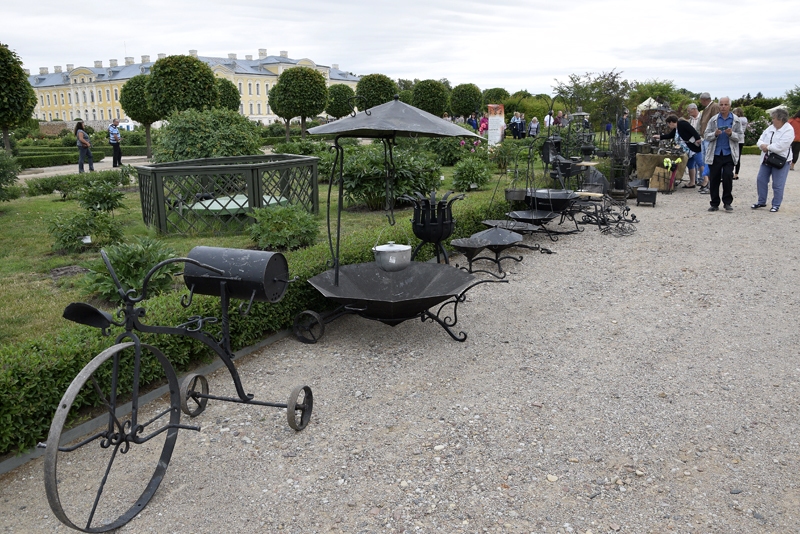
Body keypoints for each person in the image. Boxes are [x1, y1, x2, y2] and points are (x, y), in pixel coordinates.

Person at [703, 96, 743, 212]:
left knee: (727, 177)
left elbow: (740, 136)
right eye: (721, 104)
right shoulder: (714, 120)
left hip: (728, 154)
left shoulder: (735, 120)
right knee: (714, 179)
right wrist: (714, 134)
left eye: (725, 105)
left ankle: (727, 202)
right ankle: (714, 203)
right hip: (715, 154)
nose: (723, 107)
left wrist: (731, 134)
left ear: (730, 106)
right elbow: (706, 135)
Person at [751, 108, 794, 212]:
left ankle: (776, 204)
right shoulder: (771, 128)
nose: (772, 120)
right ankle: (761, 201)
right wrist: (761, 145)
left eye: (774, 118)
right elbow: (761, 139)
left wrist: (768, 147)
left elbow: (782, 146)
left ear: (781, 119)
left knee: (778, 184)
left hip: (780, 160)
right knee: (761, 179)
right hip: (767, 159)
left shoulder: (788, 130)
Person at [654, 114, 702, 188]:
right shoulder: (676, 129)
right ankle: (692, 182)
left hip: (693, 148)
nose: (668, 126)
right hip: (687, 151)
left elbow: (692, 130)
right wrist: (659, 137)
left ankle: (706, 182)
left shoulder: (683, 124)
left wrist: (698, 138)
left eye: (668, 124)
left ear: (671, 123)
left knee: (701, 164)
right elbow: (669, 135)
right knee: (690, 166)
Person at [697, 92, 720, 193]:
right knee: (705, 161)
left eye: (701, 100)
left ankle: (710, 185)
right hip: (704, 137)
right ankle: (707, 183)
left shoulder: (714, 107)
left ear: (704, 99)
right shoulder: (707, 108)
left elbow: (716, 121)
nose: (701, 102)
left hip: (710, 138)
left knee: (709, 161)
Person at [732, 108, 748, 179]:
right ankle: (736, 174)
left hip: (735, 140)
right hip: (741, 140)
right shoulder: (745, 120)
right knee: (738, 157)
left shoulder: (737, 120)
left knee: (733, 156)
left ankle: (732, 173)